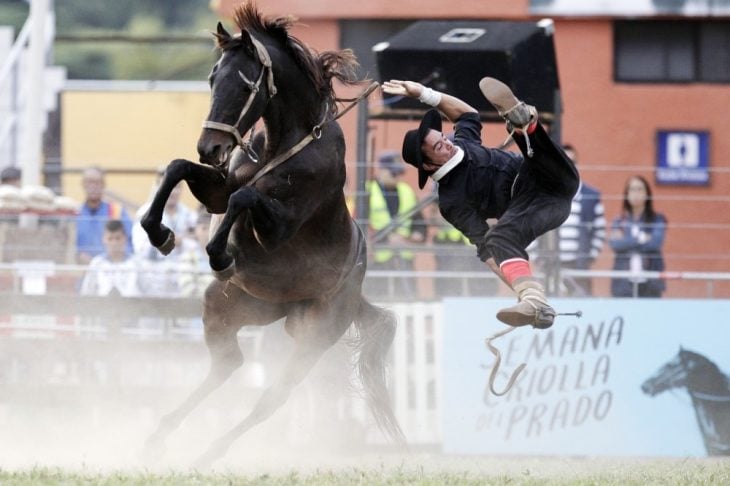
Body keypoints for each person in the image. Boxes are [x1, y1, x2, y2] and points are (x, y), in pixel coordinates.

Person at [382, 77, 579, 329]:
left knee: (532, 151)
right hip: (539, 207)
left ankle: (523, 122)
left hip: (551, 177)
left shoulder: (463, 142)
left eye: (443, 137)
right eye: (440, 147)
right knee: (497, 239)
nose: (448, 143)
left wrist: (423, 93)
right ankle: (534, 299)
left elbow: (467, 115)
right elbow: (485, 249)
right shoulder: (452, 201)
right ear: (429, 166)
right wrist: (518, 288)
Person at [365, 150, 427, 299]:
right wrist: (383, 240)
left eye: (400, 173)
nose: (398, 177)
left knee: (410, 299)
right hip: (378, 262)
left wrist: (414, 236)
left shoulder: (407, 191)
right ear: (382, 171)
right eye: (394, 173)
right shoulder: (367, 192)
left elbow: (420, 224)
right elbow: (359, 225)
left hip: (404, 260)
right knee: (377, 300)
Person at [132, 168, 197, 297]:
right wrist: (177, 240)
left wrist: (177, 241)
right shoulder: (145, 214)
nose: (172, 192)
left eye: (176, 187)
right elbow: (140, 248)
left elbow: (197, 246)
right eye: (167, 187)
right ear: (158, 187)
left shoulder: (190, 216)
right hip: (152, 280)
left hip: (181, 282)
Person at [557, 144, 606, 296]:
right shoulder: (545, 195)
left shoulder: (591, 196)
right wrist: (539, 259)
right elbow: (533, 228)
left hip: (580, 267)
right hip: (552, 267)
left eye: (572, 162)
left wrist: (589, 258)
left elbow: (600, 231)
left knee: (582, 308)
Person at [608, 175, 667, 298]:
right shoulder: (619, 221)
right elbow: (615, 244)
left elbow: (655, 243)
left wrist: (626, 240)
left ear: (647, 194)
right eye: (632, 189)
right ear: (627, 194)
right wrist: (641, 238)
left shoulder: (657, 219)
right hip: (623, 283)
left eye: (640, 189)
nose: (636, 193)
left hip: (650, 282)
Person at [76, 167, 133, 264]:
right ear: (83, 184)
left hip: (112, 270)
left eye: (97, 182)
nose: (93, 186)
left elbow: (131, 244)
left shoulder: (117, 211)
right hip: (82, 270)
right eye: (89, 182)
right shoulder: (75, 214)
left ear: (103, 185)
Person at [79, 219, 140, 297]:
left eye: (118, 238)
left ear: (125, 238)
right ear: (103, 239)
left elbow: (145, 293)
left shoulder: (136, 263)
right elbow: (87, 292)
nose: (114, 243)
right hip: (103, 307)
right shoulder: (97, 263)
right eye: (110, 239)